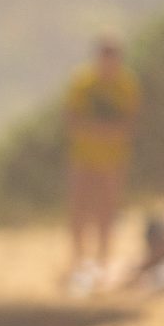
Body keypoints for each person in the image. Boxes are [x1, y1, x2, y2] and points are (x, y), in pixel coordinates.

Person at [62, 33, 140, 288]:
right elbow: (72, 120)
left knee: (107, 209)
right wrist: (103, 129)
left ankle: (103, 258)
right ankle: (78, 259)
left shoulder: (127, 85)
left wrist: (98, 129)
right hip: (83, 156)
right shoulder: (82, 82)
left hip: (114, 158)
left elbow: (129, 124)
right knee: (79, 206)